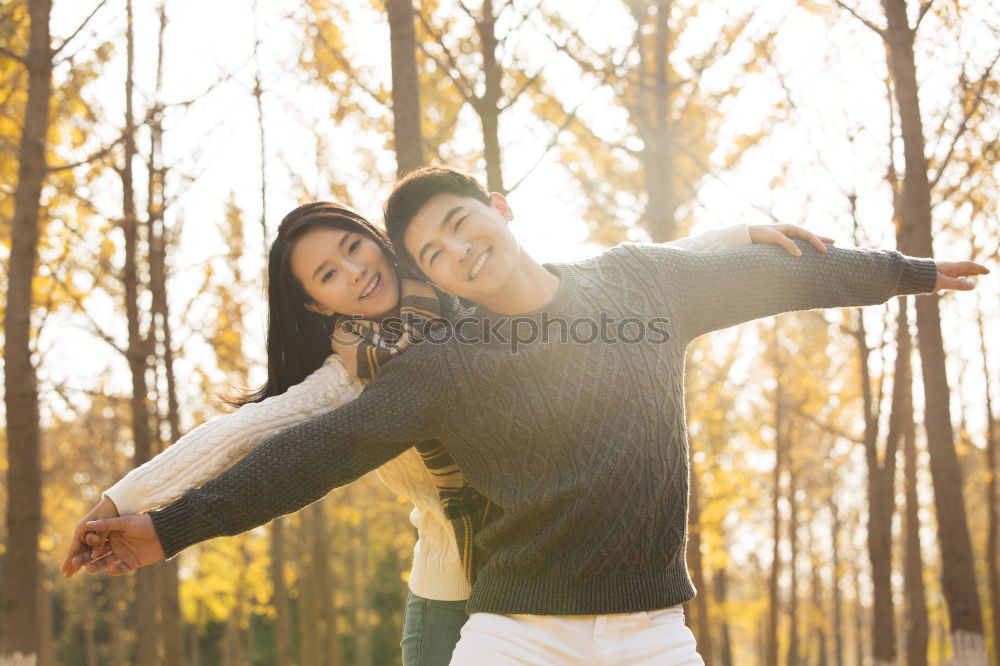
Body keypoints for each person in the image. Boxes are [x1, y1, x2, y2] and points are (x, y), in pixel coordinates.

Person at [74, 166, 987, 664]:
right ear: (319, 304)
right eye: (330, 275)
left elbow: (717, 271)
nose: (361, 270)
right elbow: (298, 448)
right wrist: (150, 516)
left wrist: (899, 270)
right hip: (486, 612)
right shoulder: (403, 370)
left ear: (498, 214)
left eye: (365, 248)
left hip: (645, 623)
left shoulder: (616, 286)